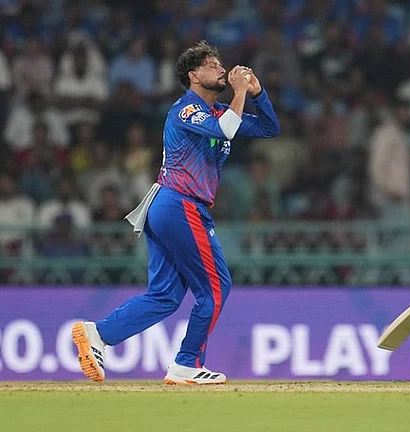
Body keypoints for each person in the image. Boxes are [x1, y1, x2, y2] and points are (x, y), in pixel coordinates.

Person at [71, 41, 280, 385]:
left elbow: (270, 129)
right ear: (194, 75)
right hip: (180, 203)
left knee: (165, 296)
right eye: (213, 65)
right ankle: (186, 364)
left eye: (220, 63)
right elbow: (226, 129)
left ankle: (98, 334)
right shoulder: (186, 110)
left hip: (173, 207)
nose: (221, 69)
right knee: (215, 288)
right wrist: (241, 92)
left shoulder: (220, 112)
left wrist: (257, 93)